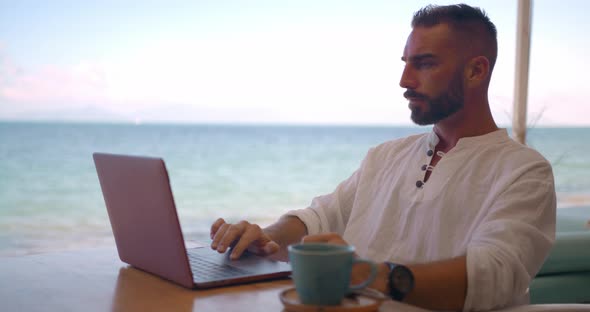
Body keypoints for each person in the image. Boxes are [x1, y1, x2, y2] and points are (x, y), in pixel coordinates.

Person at [209, 4, 556, 311]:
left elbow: (492, 273)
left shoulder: (524, 172)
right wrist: (264, 238)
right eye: (406, 63)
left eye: (424, 64)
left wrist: (374, 276)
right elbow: (320, 217)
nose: (404, 80)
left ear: (476, 71)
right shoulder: (385, 156)